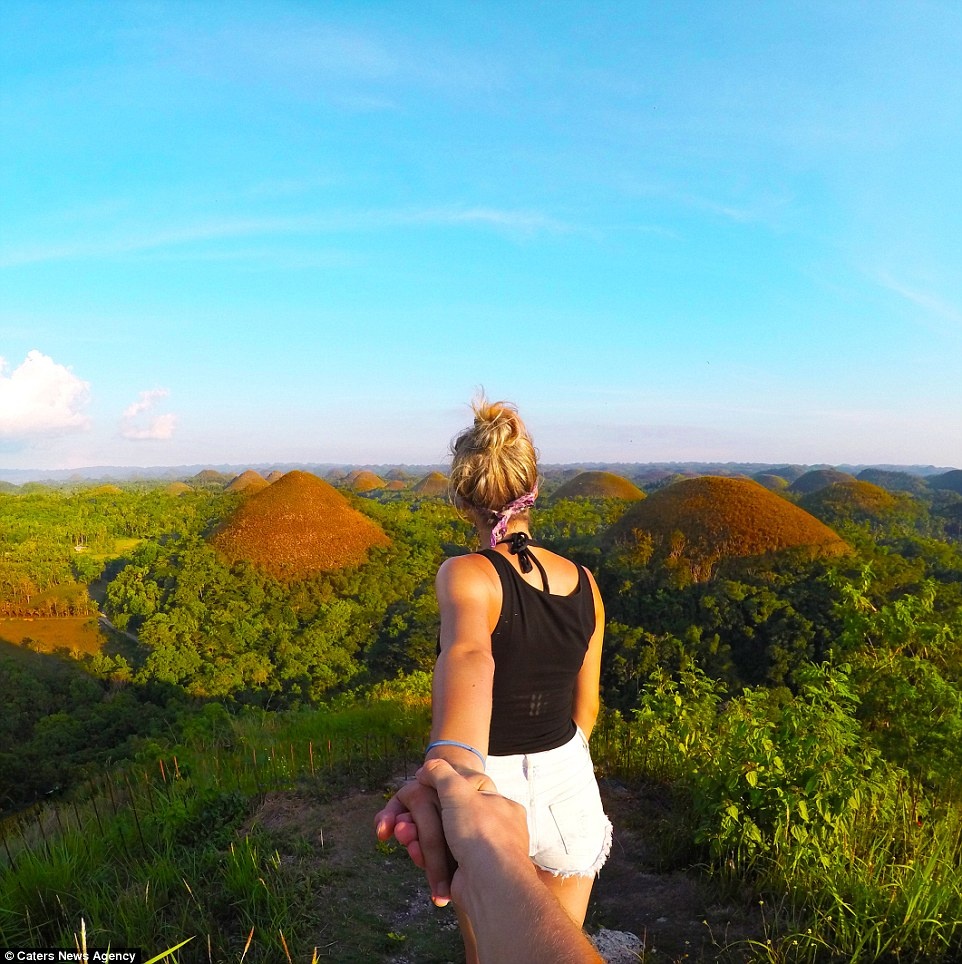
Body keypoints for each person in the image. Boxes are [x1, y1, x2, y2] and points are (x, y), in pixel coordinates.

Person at [376, 397, 611, 963]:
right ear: (534, 488)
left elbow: (468, 655)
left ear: (463, 500)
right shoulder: (586, 583)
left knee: (487, 953)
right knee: (553, 943)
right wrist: (556, 761)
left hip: (485, 784)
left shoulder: (467, 575)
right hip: (570, 778)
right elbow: (587, 707)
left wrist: (453, 762)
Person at [378, 758, 603, 964]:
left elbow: (455, 740)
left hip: (483, 782)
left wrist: (441, 773)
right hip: (567, 779)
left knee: (480, 950)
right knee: (565, 928)